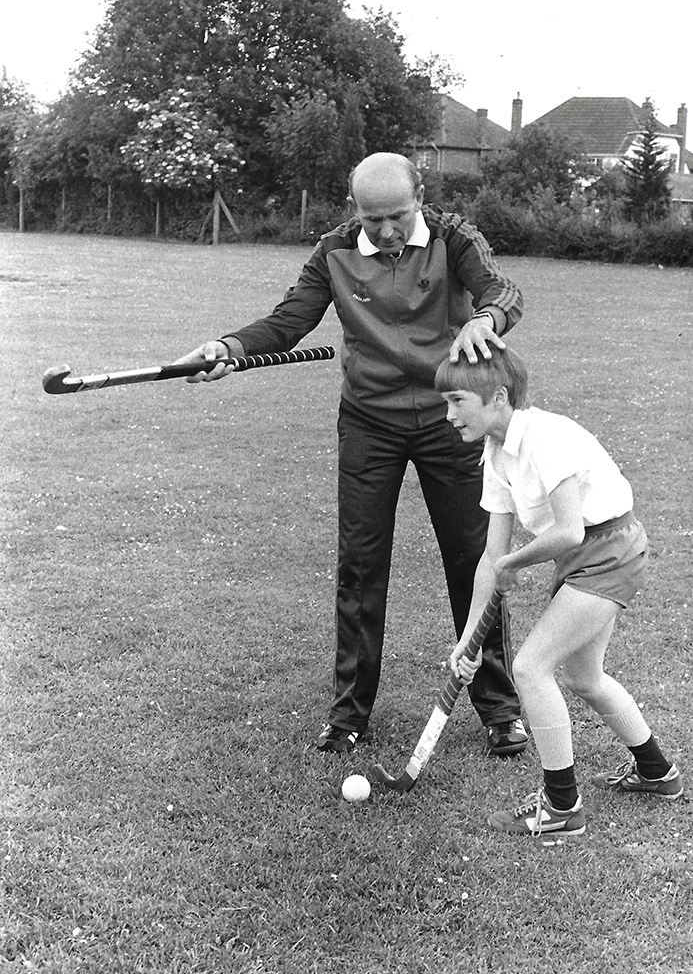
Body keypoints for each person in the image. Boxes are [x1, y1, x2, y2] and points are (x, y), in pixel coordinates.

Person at [175, 152, 528, 756]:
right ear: (353, 210)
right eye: (372, 219)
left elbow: (503, 290)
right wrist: (228, 346)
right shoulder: (335, 249)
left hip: (453, 421)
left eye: (397, 216)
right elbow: (289, 320)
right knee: (360, 566)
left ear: (420, 197)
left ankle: (498, 707)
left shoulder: (454, 237)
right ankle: (349, 713)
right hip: (370, 423)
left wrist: (486, 318)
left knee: (475, 560)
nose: (386, 231)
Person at [436, 345, 682, 838]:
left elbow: (568, 529)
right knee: (584, 677)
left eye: (457, 400)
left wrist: (514, 563)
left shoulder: (546, 437)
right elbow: (491, 557)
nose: (449, 415)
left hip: (610, 548)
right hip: (582, 555)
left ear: (498, 396)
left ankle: (562, 807)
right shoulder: (496, 455)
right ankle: (658, 772)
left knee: (531, 667)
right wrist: (468, 639)